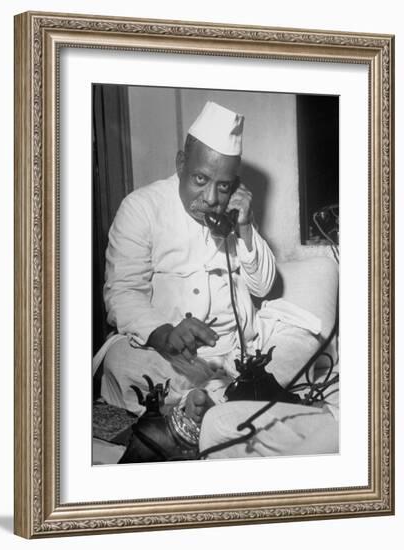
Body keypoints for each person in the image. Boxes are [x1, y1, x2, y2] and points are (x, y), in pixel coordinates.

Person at [95, 100, 338, 458]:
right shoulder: (140, 208)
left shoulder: (231, 214)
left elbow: (264, 287)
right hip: (169, 355)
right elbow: (122, 293)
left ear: (235, 185)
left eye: (223, 187)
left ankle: (204, 406)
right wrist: (166, 333)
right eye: (199, 179)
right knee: (120, 361)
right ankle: (219, 404)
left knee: (304, 338)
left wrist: (244, 226)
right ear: (181, 164)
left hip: (242, 354)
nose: (210, 197)